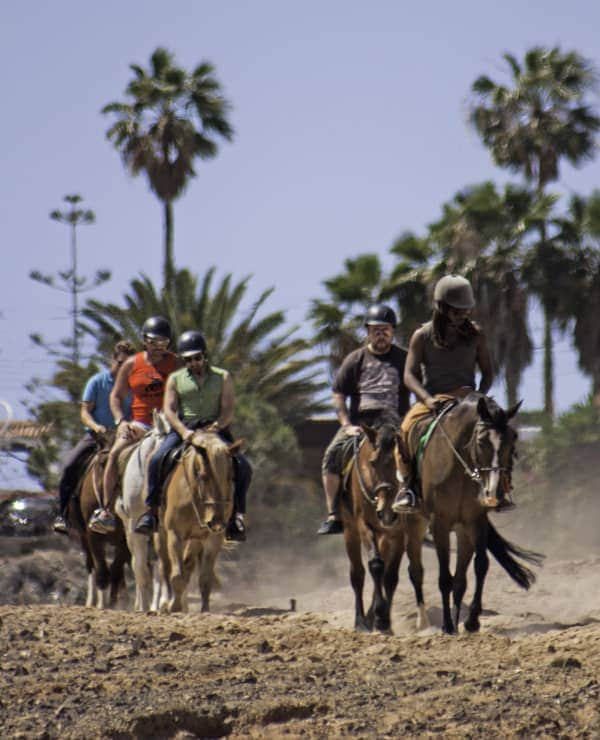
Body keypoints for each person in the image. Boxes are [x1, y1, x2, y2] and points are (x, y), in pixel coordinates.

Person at [392, 274, 498, 513]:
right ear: (441, 307)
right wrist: (427, 400)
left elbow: (489, 372)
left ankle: (501, 487)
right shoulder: (422, 336)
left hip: (468, 399)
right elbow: (409, 375)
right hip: (434, 400)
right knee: (405, 430)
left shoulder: (476, 335)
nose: (462, 315)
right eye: (456, 311)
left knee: (499, 429)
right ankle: (408, 487)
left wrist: (479, 396)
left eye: (466, 310)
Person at [133, 330, 251, 542]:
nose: (193, 363)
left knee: (243, 465)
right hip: (185, 428)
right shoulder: (175, 379)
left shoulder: (222, 377)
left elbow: (228, 409)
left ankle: (237, 516)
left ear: (204, 356)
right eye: (187, 359)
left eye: (197, 358)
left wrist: (217, 426)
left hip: (215, 428)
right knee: (156, 459)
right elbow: (169, 409)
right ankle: (151, 513)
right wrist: (185, 432)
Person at [317, 304, 410, 535]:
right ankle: (333, 514)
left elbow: (419, 387)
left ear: (393, 331)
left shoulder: (405, 358)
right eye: (375, 329)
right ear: (367, 332)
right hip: (362, 426)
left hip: (396, 424)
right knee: (332, 456)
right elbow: (338, 393)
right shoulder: (355, 359)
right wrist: (346, 425)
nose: (381, 334)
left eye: (385, 329)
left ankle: (420, 503)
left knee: (420, 454)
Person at [88, 316, 178, 534]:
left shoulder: (176, 363)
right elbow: (116, 397)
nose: (159, 347)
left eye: (164, 343)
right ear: (144, 341)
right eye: (154, 342)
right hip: (140, 424)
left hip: (170, 424)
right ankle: (106, 510)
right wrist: (120, 421)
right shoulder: (131, 364)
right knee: (114, 454)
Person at [53, 340, 136, 534]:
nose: (123, 367)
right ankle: (63, 514)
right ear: (112, 360)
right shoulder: (97, 382)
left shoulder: (133, 386)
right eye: (120, 363)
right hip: (97, 435)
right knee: (69, 466)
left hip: (125, 436)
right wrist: (96, 427)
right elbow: (85, 412)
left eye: (128, 364)